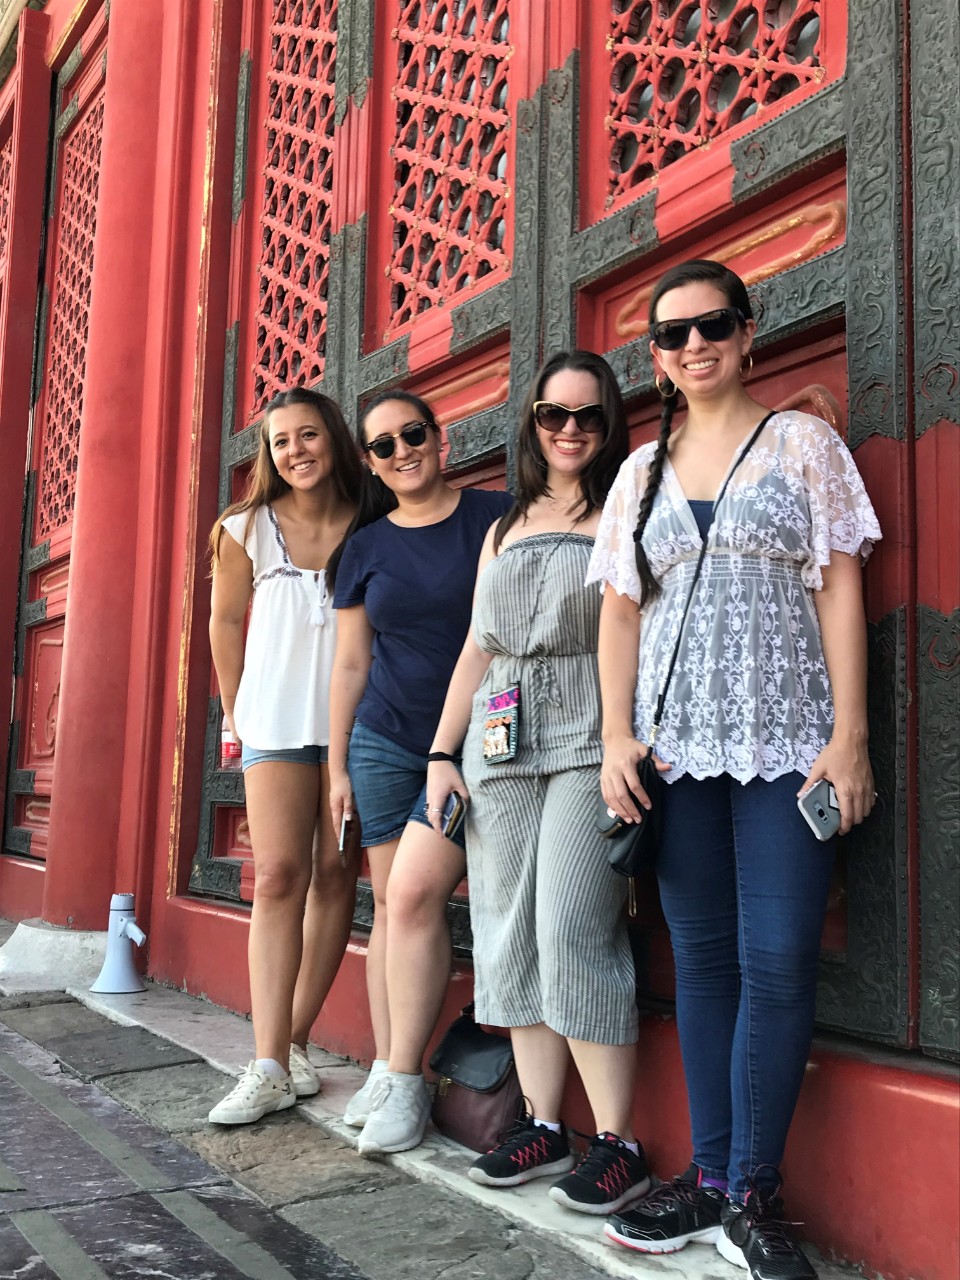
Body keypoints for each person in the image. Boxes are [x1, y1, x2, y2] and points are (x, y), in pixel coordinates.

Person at [590, 260, 881, 1277]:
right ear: (657, 360)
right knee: (704, 961)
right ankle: (712, 1177)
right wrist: (615, 737)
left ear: (749, 333)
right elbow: (620, 611)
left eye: (713, 324)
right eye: (671, 336)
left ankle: (755, 1186)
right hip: (677, 750)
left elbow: (841, 589)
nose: (693, 345)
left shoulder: (805, 445)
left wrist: (849, 737)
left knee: (780, 956)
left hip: (787, 741)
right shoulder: (639, 473)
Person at [425, 351, 650, 1217]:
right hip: (499, 733)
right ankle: (546, 1124)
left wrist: (628, 737)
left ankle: (619, 1141)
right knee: (504, 926)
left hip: (591, 731)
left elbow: (639, 626)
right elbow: (477, 649)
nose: (568, 432)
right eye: (552, 417)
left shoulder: (627, 507)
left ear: (609, 425)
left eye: (586, 418)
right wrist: (442, 756)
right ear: (531, 425)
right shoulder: (504, 523)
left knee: (568, 923)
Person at [327, 389, 512, 1154]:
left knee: (416, 895)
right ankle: (386, 1068)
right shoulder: (364, 547)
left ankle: (405, 1079)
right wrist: (336, 763)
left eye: (413, 435)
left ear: (442, 439)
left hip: (469, 740)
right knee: (391, 912)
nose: (401, 452)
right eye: (382, 445)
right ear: (369, 462)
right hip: (382, 739)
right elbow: (349, 661)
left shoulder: (496, 518)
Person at [207, 387, 363, 1126]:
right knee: (277, 877)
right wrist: (236, 713)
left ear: (332, 438)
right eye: (280, 442)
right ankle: (264, 1062)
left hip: (355, 726)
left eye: (308, 435)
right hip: (273, 720)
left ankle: (295, 1045)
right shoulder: (245, 528)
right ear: (267, 455)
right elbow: (225, 622)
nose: (295, 451)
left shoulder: (373, 521)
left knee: (335, 875)